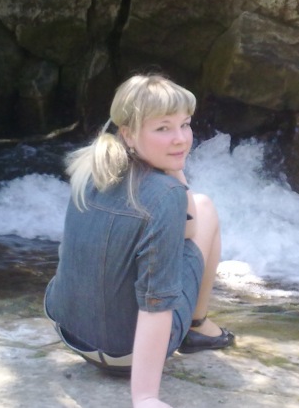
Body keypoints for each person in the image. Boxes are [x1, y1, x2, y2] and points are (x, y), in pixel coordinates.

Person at [44, 73, 235, 408]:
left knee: (198, 210)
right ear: (129, 134)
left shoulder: (91, 165)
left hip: (71, 335)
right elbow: (155, 302)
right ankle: (197, 326)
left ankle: (196, 326)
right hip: (126, 356)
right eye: (163, 128)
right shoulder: (166, 195)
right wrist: (145, 397)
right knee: (205, 208)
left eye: (185, 125)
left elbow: (187, 228)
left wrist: (172, 165)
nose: (181, 139)